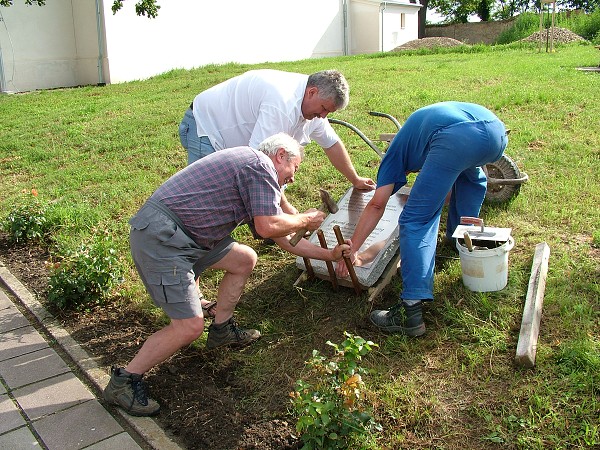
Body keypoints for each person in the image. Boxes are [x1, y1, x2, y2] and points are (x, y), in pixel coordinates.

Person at [104, 133, 350, 416]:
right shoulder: (259, 166)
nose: (293, 178)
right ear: (281, 155)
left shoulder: (254, 170)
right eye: (296, 168)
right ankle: (124, 380)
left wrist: (329, 255)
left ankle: (221, 329)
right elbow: (269, 227)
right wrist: (305, 219)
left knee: (244, 259)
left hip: (189, 235)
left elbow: (280, 237)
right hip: (164, 239)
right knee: (189, 327)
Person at [336, 101, 509, 337]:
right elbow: (447, 190)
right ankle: (458, 239)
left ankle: (410, 312)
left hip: (457, 138)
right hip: (495, 133)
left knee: (416, 220)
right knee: (471, 179)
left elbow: (377, 204)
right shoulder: (416, 138)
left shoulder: (394, 155)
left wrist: (354, 246)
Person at [178, 68, 376, 214]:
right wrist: (288, 211)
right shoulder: (281, 104)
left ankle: (269, 223)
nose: (323, 116)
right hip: (206, 127)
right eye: (324, 108)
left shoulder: (314, 111)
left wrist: (355, 179)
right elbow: (259, 165)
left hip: (235, 134)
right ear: (312, 92)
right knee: (206, 203)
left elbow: (331, 144)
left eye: (328, 112)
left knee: (250, 192)